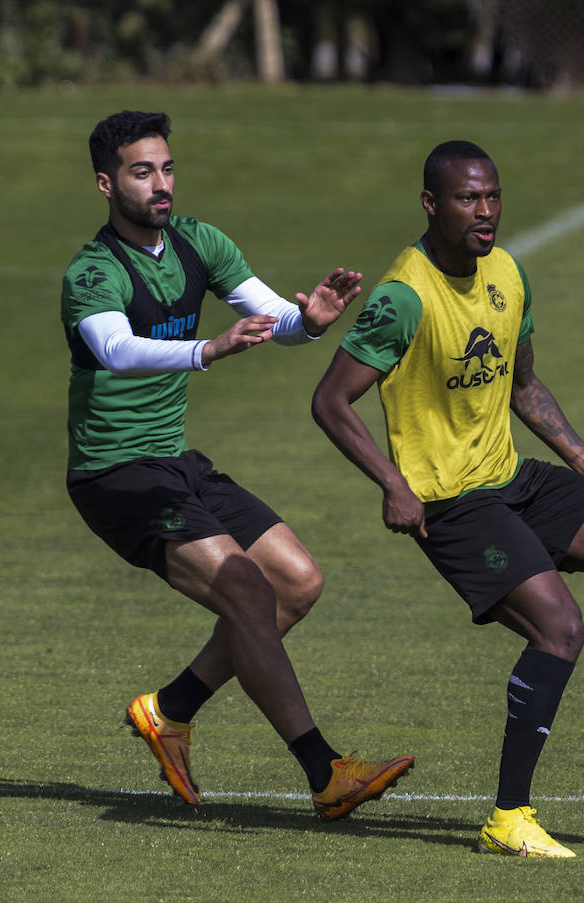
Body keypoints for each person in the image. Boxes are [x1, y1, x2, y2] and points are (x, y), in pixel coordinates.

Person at [310, 140, 584, 857]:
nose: (483, 212)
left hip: (513, 478)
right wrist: (393, 484)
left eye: (491, 197)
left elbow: (522, 382)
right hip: (451, 504)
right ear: (432, 205)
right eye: (466, 199)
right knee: (560, 629)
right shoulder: (403, 297)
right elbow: (331, 402)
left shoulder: (507, 272)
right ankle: (507, 819)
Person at [60, 110, 412, 819]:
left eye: (166, 168)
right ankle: (326, 773)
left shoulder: (198, 243)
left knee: (298, 583)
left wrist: (307, 320)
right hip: (115, 474)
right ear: (106, 183)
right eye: (140, 171)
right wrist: (206, 351)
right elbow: (116, 350)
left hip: (175, 462)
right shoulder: (92, 273)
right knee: (249, 591)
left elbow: (270, 316)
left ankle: (170, 709)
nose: (160, 184)